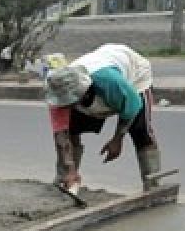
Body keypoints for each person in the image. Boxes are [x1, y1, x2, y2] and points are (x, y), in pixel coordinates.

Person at [44, 44, 161, 192]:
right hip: (102, 65)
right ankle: (66, 180)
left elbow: (132, 107)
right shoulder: (57, 89)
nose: (66, 105)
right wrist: (69, 168)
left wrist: (117, 139)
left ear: (82, 92)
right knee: (72, 129)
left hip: (134, 73)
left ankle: (153, 186)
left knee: (141, 131)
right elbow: (61, 135)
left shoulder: (109, 82)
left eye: (71, 101)